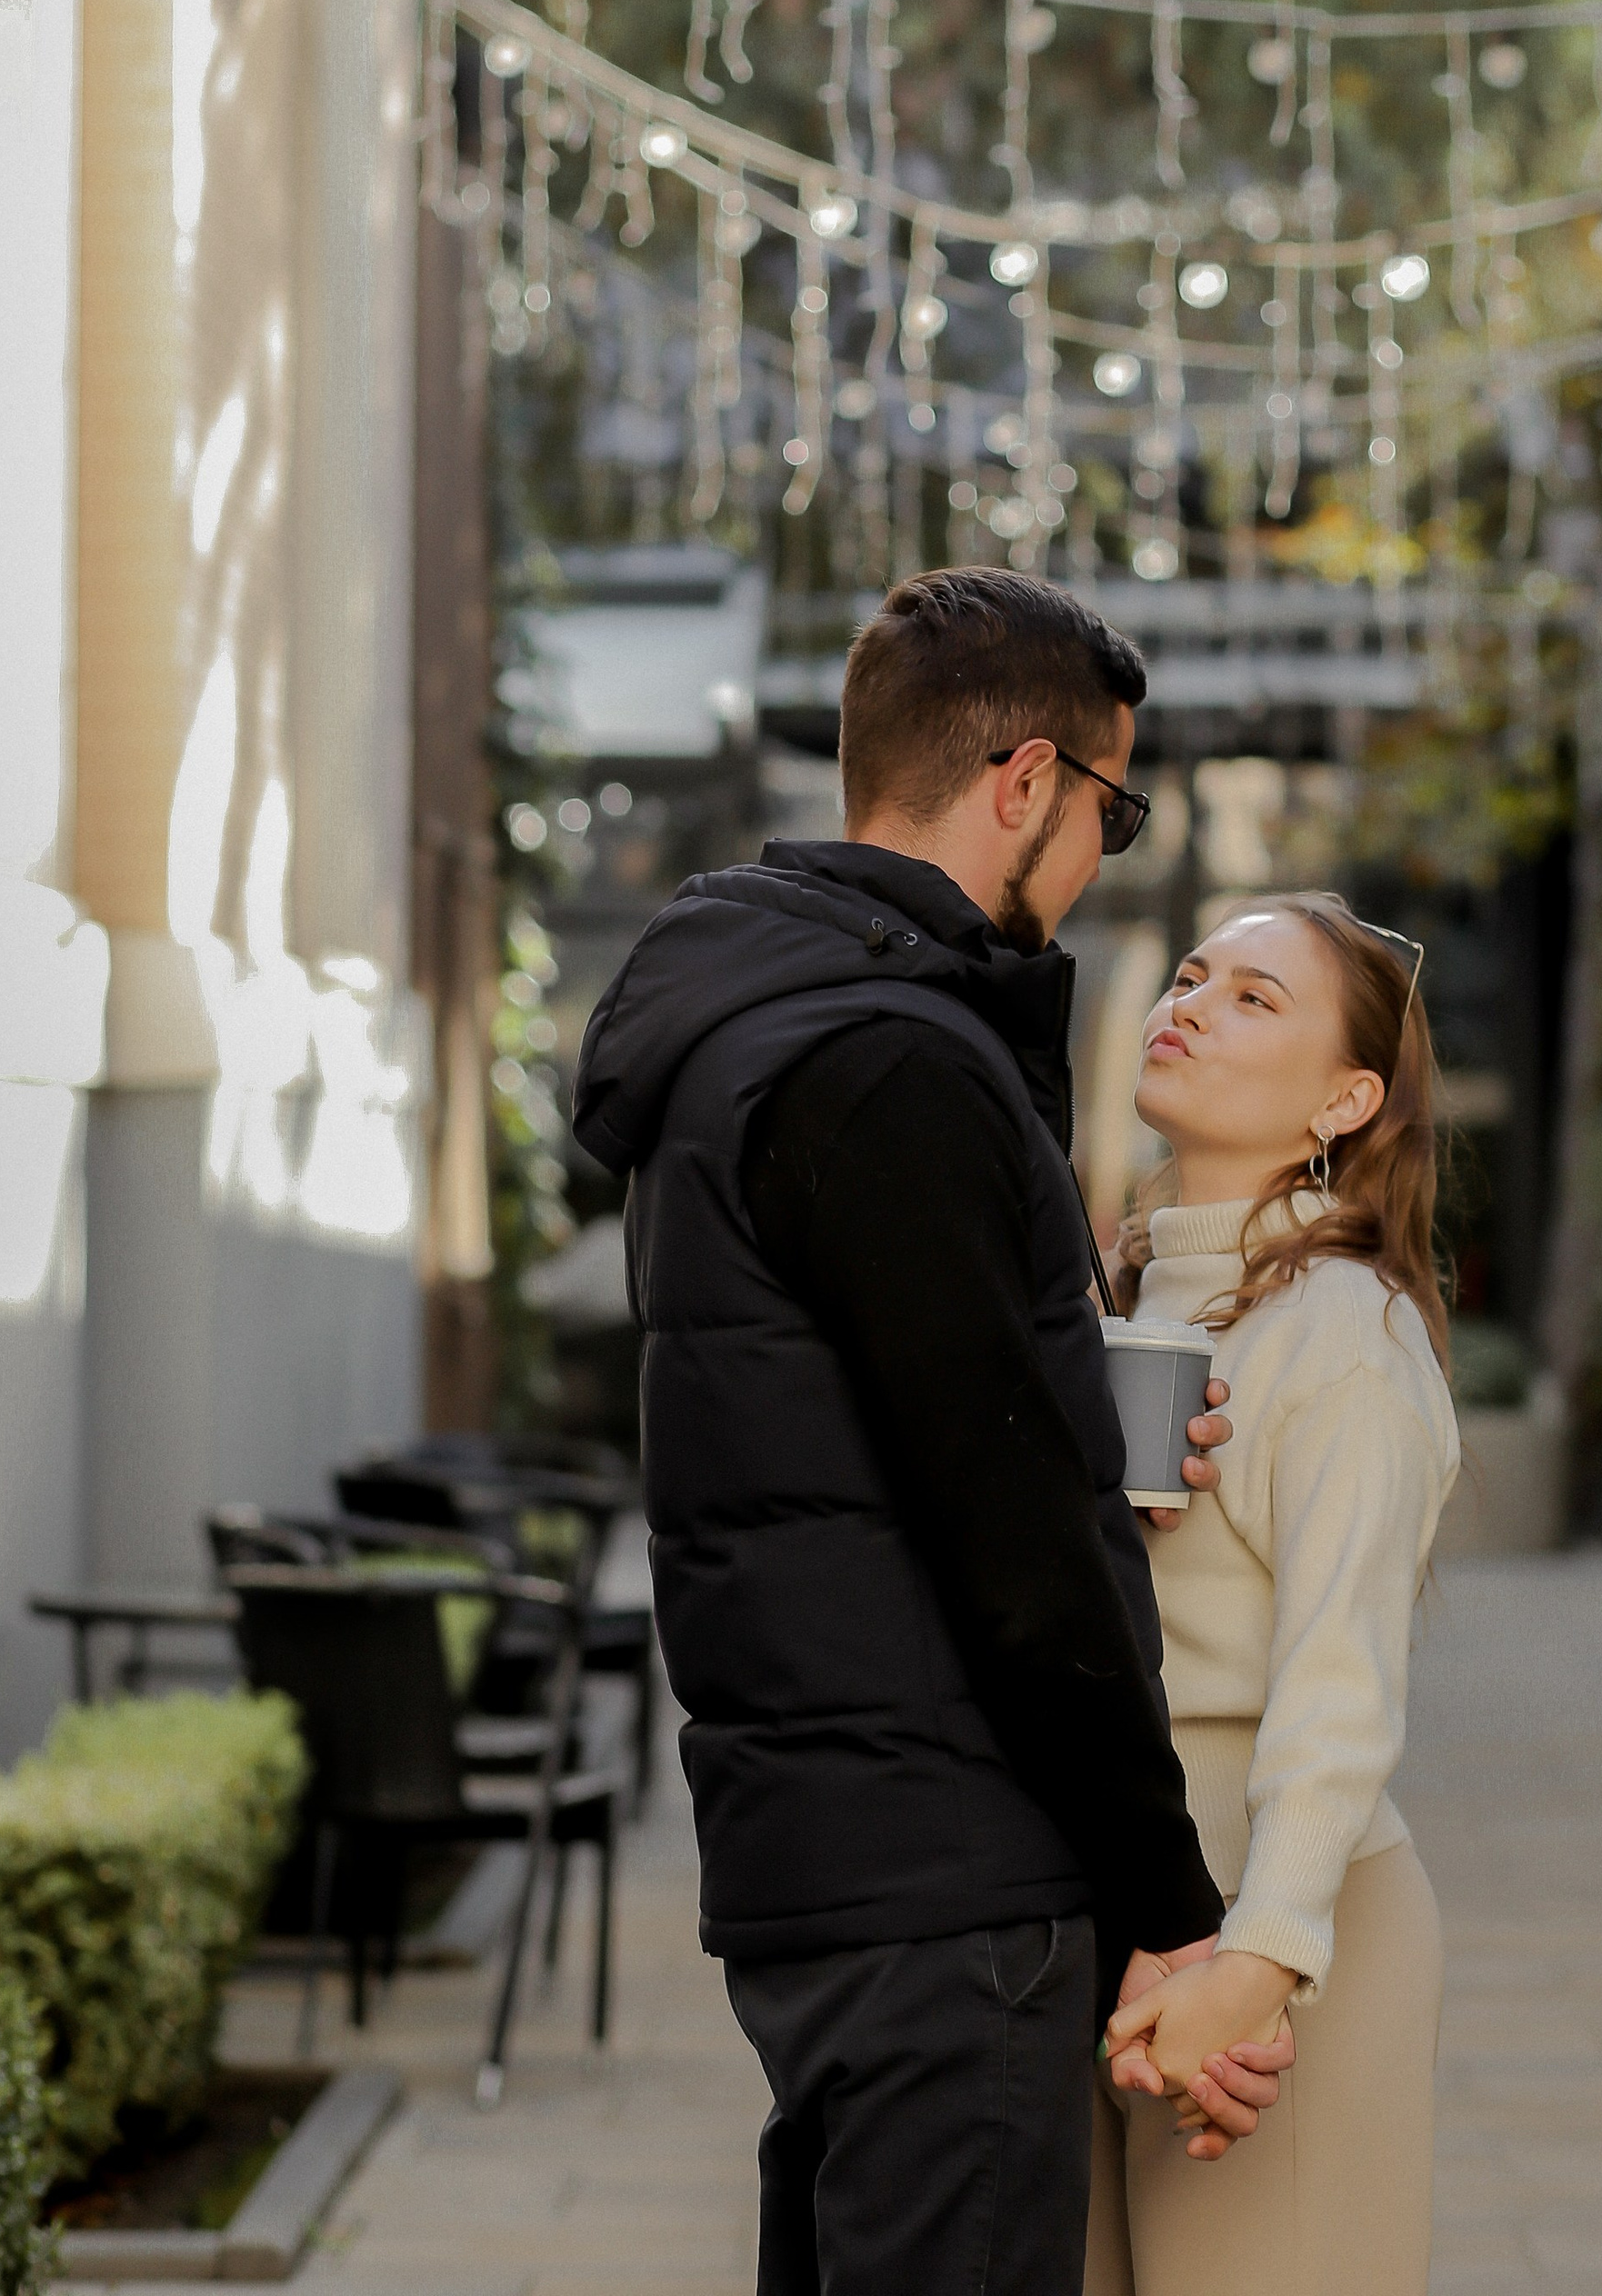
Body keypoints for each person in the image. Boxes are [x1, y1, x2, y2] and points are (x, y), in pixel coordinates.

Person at [570, 568, 1291, 2296]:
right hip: (942, 1870)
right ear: (1028, 783)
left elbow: (880, 1418)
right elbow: (1015, 1538)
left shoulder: (757, 1030)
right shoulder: (889, 1061)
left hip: (825, 1852)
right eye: (1113, 809)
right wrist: (1174, 1906)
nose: (1107, 854)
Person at [1086, 893, 1462, 2296]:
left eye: (1254, 998)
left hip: (1282, 1932)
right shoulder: (1136, 1297)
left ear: (1347, 1098)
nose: (1190, 1003)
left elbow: (1340, 1686)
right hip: (1140, 1922)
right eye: (1192, 975)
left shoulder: (1344, 1335)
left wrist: (1258, 1969)